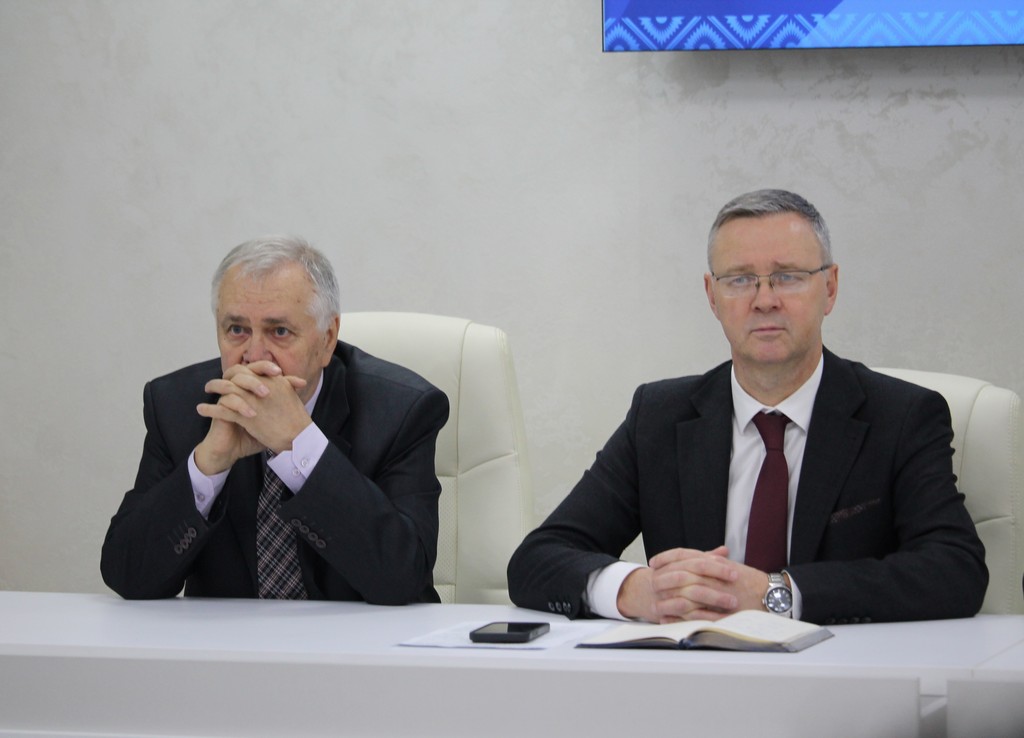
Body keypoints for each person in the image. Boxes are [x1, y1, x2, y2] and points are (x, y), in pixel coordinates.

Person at [508, 189, 987, 625]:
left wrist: (779, 594)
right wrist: (634, 590)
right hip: (696, 677)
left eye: (787, 277)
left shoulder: (902, 416)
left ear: (830, 288)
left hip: (842, 677)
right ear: (712, 296)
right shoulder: (659, 416)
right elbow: (538, 559)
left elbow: (955, 568)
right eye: (739, 280)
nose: (764, 300)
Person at [101, 236, 449, 604]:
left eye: (279, 332)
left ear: (327, 339)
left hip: (361, 638)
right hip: (226, 639)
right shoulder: (178, 406)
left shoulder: (401, 411)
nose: (254, 356)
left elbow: (402, 579)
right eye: (237, 330)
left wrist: (300, 444)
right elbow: (128, 576)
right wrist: (208, 464)